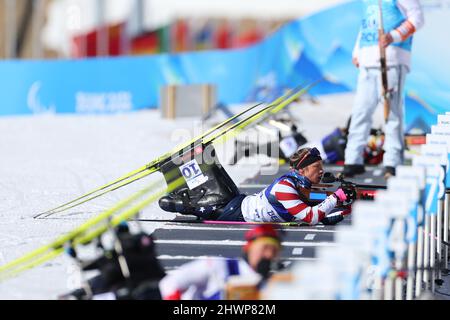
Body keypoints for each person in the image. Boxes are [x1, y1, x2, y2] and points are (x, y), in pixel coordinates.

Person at [160, 147, 352, 225]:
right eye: (317, 167)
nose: (321, 171)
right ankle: (172, 167)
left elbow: (319, 208)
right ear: (301, 170)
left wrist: (346, 206)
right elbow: (311, 216)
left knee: (210, 162)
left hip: (236, 201)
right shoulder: (286, 187)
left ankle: (183, 165)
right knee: (182, 199)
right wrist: (336, 197)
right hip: (227, 209)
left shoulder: (302, 186)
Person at [342, 0, 424, 178]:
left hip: (391, 61)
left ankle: (392, 163)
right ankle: (352, 160)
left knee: (392, 115)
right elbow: (367, 25)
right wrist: (357, 52)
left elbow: (417, 18)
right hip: (368, 62)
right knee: (360, 112)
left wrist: (393, 36)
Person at [158, 224, 282, 300]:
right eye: (265, 248)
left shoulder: (269, 285)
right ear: (248, 248)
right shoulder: (218, 266)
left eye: (274, 250)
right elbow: (170, 283)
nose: (269, 254)